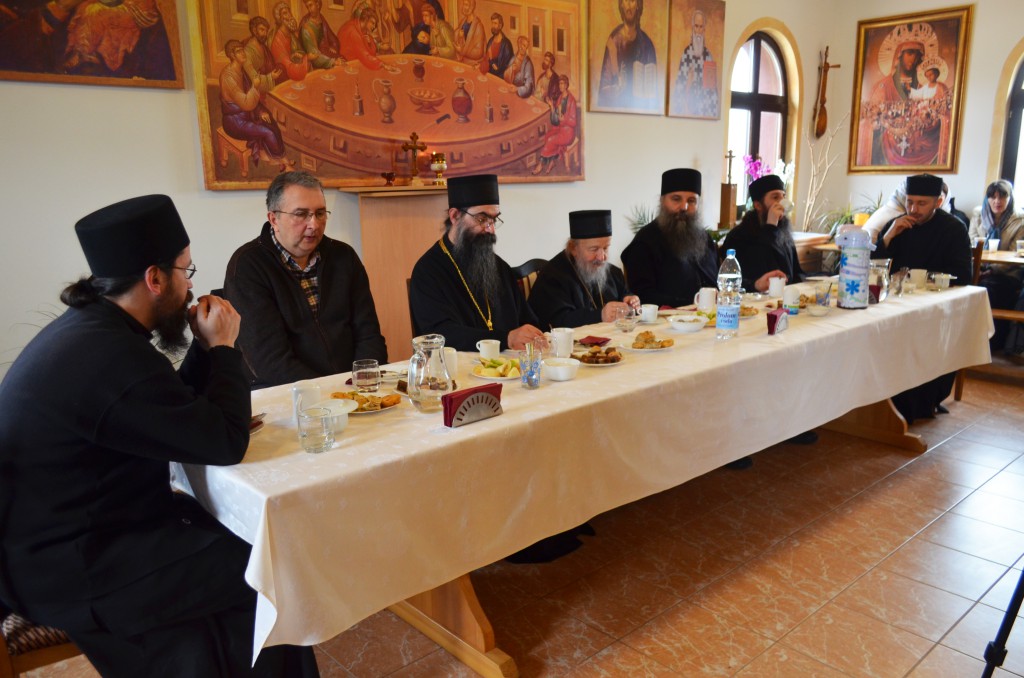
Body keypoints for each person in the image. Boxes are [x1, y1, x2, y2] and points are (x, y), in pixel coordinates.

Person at [0, 194, 318, 677]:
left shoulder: (94, 330)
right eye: (185, 271)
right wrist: (223, 348)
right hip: (74, 567)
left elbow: (169, 405)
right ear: (154, 278)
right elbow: (224, 443)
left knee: (241, 544)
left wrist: (205, 350)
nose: (190, 288)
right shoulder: (108, 354)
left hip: (79, 540)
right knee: (269, 570)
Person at [224, 171, 387, 388]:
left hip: (352, 387)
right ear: (274, 219)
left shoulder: (343, 256)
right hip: (287, 392)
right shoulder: (248, 266)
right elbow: (269, 361)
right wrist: (329, 392)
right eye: (301, 214)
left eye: (320, 213)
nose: (314, 225)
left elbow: (369, 334)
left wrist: (364, 382)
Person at [874, 173, 973, 422]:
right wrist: (889, 236)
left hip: (937, 306)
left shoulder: (954, 229)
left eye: (921, 203)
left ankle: (924, 402)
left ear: (938, 202)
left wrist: (925, 279)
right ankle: (886, 402)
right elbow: (874, 268)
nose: (913, 209)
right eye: (909, 202)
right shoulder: (897, 224)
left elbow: (963, 275)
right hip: (896, 305)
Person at [409, 174, 547, 351]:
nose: (490, 229)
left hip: (510, 365)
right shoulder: (428, 271)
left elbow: (528, 321)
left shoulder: (500, 267)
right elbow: (440, 336)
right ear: (455, 216)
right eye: (482, 219)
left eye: (493, 219)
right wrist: (505, 339)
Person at [621, 168, 719, 307]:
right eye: (676, 199)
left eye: (691, 201)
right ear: (662, 201)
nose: (684, 207)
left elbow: (718, 280)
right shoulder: (644, 243)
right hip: (670, 318)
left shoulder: (705, 238)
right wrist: (691, 303)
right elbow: (642, 295)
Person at [529, 210, 639, 328]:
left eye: (605, 248)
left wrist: (629, 300)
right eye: (594, 249)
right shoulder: (552, 277)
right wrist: (600, 315)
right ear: (573, 248)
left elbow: (623, 294)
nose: (602, 257)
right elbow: (559, 321)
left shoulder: (613, 272)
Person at [720, 174, 803, 293]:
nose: (781, 203)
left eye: (783, 196)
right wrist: (770, 228)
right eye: (775, 197)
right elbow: (760, 272)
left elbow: (795, 273)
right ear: (758, 205)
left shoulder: (784, 232)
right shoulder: (739, 236)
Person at [219, 39, 291, 172]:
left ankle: (282, 159)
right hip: (235, 121)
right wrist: (255, 87)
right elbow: (246, 103)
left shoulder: (241, 71)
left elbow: (251, 101)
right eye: (239, 51)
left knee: (269, 119)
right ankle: (284, 164)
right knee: (267, 132)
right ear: (232, 55)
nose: (243, 53)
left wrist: (260, 111)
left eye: (243, 49)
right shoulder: (228, 77)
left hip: (247, 115)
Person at [968, 179, 1024, 349]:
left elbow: (1015, 253)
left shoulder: (1020, 220)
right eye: (992, 197)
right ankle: (966, 339)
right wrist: (979, 269)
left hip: (1007, 273)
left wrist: (991, 270)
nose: (997, 201)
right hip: (978, 268)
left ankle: (990, 343)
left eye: (1002, 197)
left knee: (988, 289)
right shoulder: (979, 214)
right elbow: (971, 243)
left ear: (1010, 198)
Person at [598, 0, 657, 110]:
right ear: (621, 5)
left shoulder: (647, 44)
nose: (629, 6)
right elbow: (604, 87)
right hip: (618, 110)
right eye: (625, 1)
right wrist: (615, 89)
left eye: (632, 1)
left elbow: (653, 93)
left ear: (638, 5)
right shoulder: (613, 41)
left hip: (640, 111)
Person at [670, 9, 719, 118]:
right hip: (688, 111)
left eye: (701, 27)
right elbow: (679, 87)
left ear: (704, 29)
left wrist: (711, 117)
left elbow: (712, 91)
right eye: (696, 26)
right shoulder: (687, 54)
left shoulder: (708, 56)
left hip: (703, 112)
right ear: (693, 28)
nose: (698, 30)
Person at [532, 74, 577, 175]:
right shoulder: (560, 98)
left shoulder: (571, 101)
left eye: (562, 84)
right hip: (560, 129)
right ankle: (552, 162)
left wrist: (564, 119)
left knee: (551, 140)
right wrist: (552, 106)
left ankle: (540, 164)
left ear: (566, 85)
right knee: (548, 136)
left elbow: (573, 122)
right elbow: (555, 120)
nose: (561, 86)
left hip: (568, 133)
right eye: (559, 84)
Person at [269, 1, 311, 81]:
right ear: (279, 18)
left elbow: (300, 51)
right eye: (285, 13)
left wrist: (299, 55)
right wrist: (307, 58)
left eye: (289, 12)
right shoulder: (277, 41)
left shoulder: (292, 36)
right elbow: (288, 66)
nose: (289, 15)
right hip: (286, 77)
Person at [244, 15, 284, 91]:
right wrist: (270, 77)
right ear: (254, 30)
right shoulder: (247, 52)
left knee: (281, 68)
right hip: (257, 88)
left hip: (270, 79)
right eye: (262, 30)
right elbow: (253, 78)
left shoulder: (263, 46)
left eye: (266, 31)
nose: (265, 34)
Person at [299, 0, 339, 69]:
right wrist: (333, 62)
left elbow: (331, 37)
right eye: (307, 7)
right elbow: (313, 55)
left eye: (311, 5)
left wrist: (333, 46)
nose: (309, 10)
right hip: (318, 60)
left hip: (325, 53)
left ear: (317, 5)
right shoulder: (306, 27)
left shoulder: (321, 19)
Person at [453, 0, 485, 70]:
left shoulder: (478, 27)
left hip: (472, 64)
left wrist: (462, 51)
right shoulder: (462, 22)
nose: (464, 7)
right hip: (462, 61)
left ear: (472, 7)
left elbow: (479, 52)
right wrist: (459, 37)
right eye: (463, 5)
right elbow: (459, 40)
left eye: (466, 5)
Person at [484, 12, 513, 77]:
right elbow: (486, 60)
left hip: (500, 77)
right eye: (492, 23)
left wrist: (493, 63)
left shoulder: (506, 44)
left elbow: (507, 66)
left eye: (495, 23)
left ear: (500, 26)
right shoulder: (490, 41)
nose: (493, 26)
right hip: (489, 75)